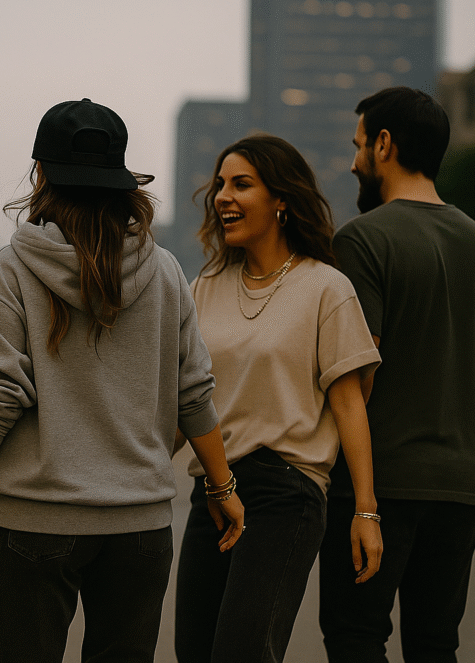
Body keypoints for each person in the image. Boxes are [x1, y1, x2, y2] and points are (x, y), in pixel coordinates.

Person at [0, 98, 245, 663]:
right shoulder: (163, 271)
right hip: (140, 530)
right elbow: (194, 392)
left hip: (38, 524)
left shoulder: (10, 271)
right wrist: (222, 486)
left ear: (41, 174)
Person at [175, 134, 383, 663]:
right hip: (214, 490)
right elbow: (184, 401)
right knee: (193, 651)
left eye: (241, 184)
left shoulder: (326, 288)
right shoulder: (206, 285)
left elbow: (350, 403)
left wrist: (365, 511)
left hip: (285, 492)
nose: (223, 195)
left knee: (242, 652)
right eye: (220, 184)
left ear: (282, 199)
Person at [318, 87, 475, 663]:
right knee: (435, 642)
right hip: (463, 484)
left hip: (379, 484)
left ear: (385, 144)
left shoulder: (363, 240)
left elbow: (358, 374)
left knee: (356, 636)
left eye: (359, 145)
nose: (352, 161)